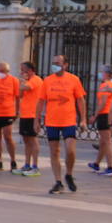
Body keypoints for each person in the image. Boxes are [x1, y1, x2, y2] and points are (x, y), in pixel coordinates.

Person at [40, 53, 87, 194]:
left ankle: (69, 174)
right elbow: (41, 100)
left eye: (58, 63)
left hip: (68, 120)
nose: (55, 65)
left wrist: (83, 119)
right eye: (53, 63)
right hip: (52, 121)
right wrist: (37, 119)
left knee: (70, 150)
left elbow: (80, 100)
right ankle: (58, 181)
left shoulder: (74, 80)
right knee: (54, 151)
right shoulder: (47, 81)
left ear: (65, 65)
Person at [89, 64, 112, 176]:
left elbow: (102, 102)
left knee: (107, 142)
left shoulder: (105, 85)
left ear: (107, 74)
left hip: (105, 114)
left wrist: (94, 115)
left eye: (102, 72)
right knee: (104, 141)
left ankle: (110, 167)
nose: (101, 74)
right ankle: (96, 164)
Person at [15, 61, 45, 176]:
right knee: (26, 140)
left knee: (33, 139)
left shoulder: (36, 80)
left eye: (24, 70)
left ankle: (35, 166)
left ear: (30, 70)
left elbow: (25, 87)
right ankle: (27, 164)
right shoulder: (27, 81)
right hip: (25, 114)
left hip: (33, 114)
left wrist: (22, 80)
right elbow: (21, 94)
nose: (22, 72)